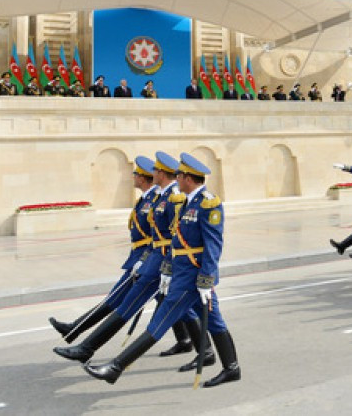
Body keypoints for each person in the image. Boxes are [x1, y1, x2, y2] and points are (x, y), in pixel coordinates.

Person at [84, 153, 241, 388]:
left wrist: (206, 278)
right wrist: (167, 268)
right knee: (215, 322)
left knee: (160, 320)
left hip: (193, 278)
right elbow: (174, 239)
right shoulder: (186, 202)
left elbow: (213, 245)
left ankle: (115, 367)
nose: (176, 179)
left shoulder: (209, 203)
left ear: (188, 178)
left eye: (179, 175)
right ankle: (232, 368)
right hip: (181, 272)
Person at [48, 156, 157, 347]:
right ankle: (187, 340)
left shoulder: (155, 201)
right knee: (171, 303)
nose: (133, 176)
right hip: (140, 257)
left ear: (142, 178)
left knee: (116, 298)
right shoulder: (145, 200)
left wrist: (146, 258)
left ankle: (75, 332)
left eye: (135, 174)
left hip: (146, 258)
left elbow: (159, 234)